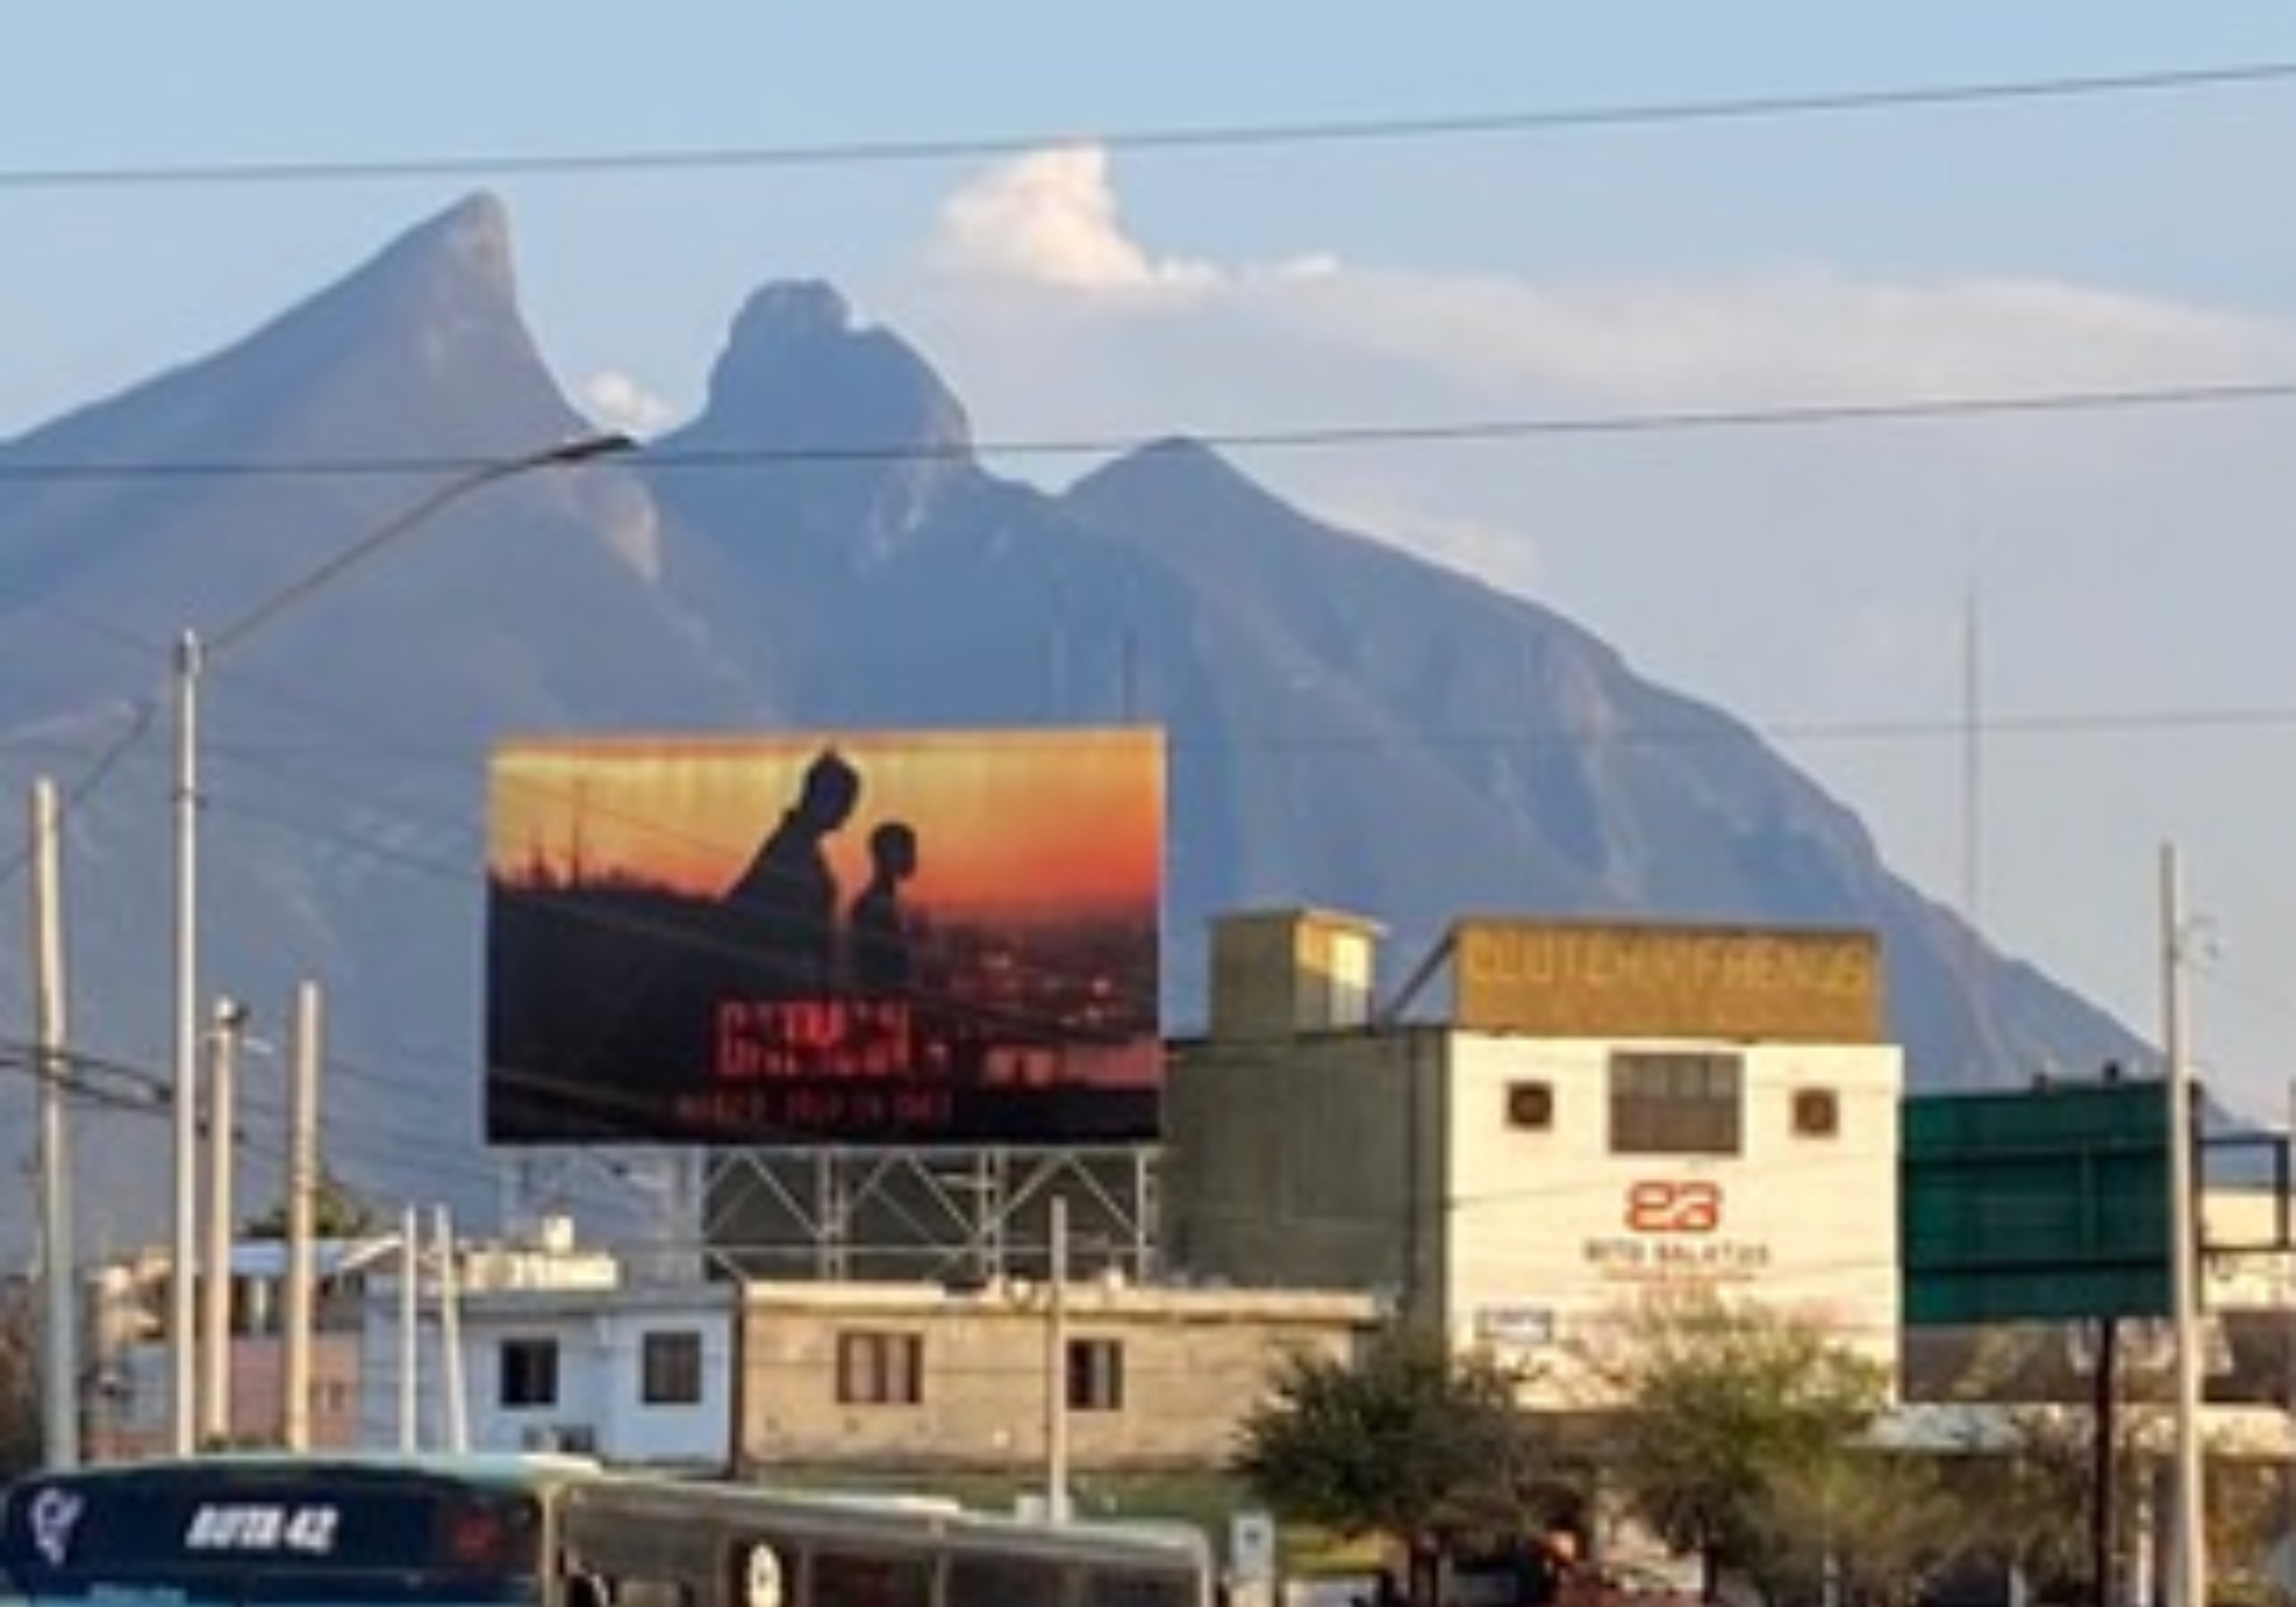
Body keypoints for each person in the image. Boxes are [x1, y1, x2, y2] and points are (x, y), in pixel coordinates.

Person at [720, 748, 862, 997]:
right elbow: (778, 928)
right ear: (822, 798)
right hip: (774, 983)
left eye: (850, 804)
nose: (848, 812)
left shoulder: (798, 845)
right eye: (845, 802)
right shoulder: (791, 848)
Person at [846, 820, 920, 997]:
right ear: (887, 855)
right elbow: (873, 969)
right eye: (906, 850)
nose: (913, 858)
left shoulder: (882, 901)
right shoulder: (873, 905)